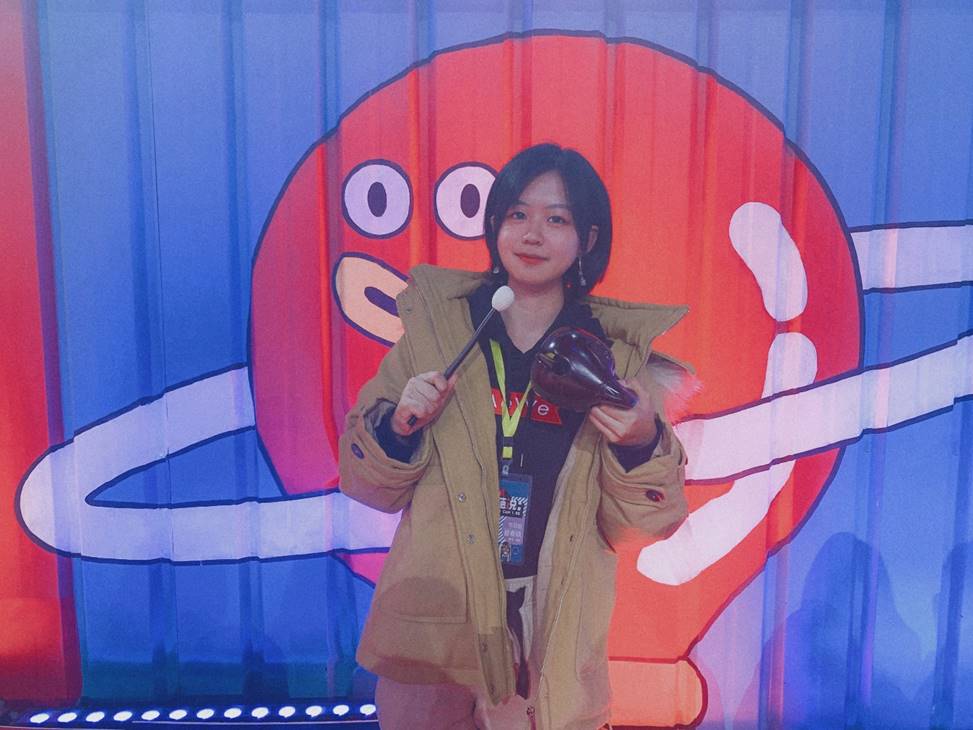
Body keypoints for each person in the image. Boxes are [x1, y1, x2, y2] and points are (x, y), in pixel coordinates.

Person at [339, 143, 690, 730]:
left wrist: (640, 441)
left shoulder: (611, 356)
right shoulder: (438, 333)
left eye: (557, 219)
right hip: (437, 617)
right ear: (495, 224)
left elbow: (644, 524)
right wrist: (398, 429)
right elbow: (366, 483)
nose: (532, 234)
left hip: (548, 622)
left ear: (588, 239)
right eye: (517, 214)